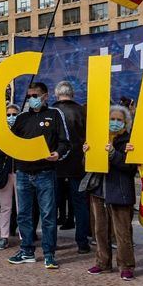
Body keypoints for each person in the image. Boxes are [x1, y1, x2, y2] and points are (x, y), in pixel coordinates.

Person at [8, 82, 71, 269]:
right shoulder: (21, 118)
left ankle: (49, 254)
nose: (32, 99)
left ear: (45, 96)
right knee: (24, 215)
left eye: (35, 95)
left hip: (45, 172)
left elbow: (65, 142)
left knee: (48, 215)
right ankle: (27, 250)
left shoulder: (54, 114)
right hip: (23, 173)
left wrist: (58, 154)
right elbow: (10, 142)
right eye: (29, 96)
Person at [82, 105, 137, 280]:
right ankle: (102, 263)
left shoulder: (129, 141)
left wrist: (113, 154)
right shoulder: (97, 138)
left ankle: (126, 266)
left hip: (120, 191)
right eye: (112, 119)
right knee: (100, 230)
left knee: (122, 233)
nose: (114, 123)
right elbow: (87, 165)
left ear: (125, 123)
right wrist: (86, 154)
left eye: (119, 120)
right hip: (99, 190)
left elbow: (129, 167)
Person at [52, 81, 91, 253]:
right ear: (73, 94)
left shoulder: (51, 112)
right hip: (79, 165)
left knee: (51, 205)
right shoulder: (82, 111)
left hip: (55, 164)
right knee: (80, 204)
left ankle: (51, 242)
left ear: (56, 94)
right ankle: (82, 243)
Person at [0, 104, 20, 250]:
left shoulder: (22, 130)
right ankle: (4, 236)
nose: (11, 117)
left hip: (20, 173)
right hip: (5, 173)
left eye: (14, 114)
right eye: (8, 114)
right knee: (5, 207)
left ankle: (24, 236)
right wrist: (6, 147)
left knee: (22, 207)